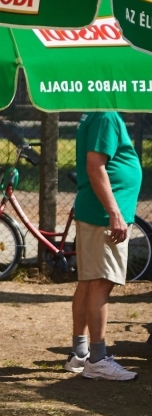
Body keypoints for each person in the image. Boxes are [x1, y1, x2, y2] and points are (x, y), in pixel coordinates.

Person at [65, 112, 142, 381]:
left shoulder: (98, 114)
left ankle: (80, 353)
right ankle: (98, 359)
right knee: (100, 282)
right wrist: (115, 212)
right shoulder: (106, 116)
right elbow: (95, 166)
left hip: (96, 214)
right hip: (102, 217)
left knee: (89, 282)